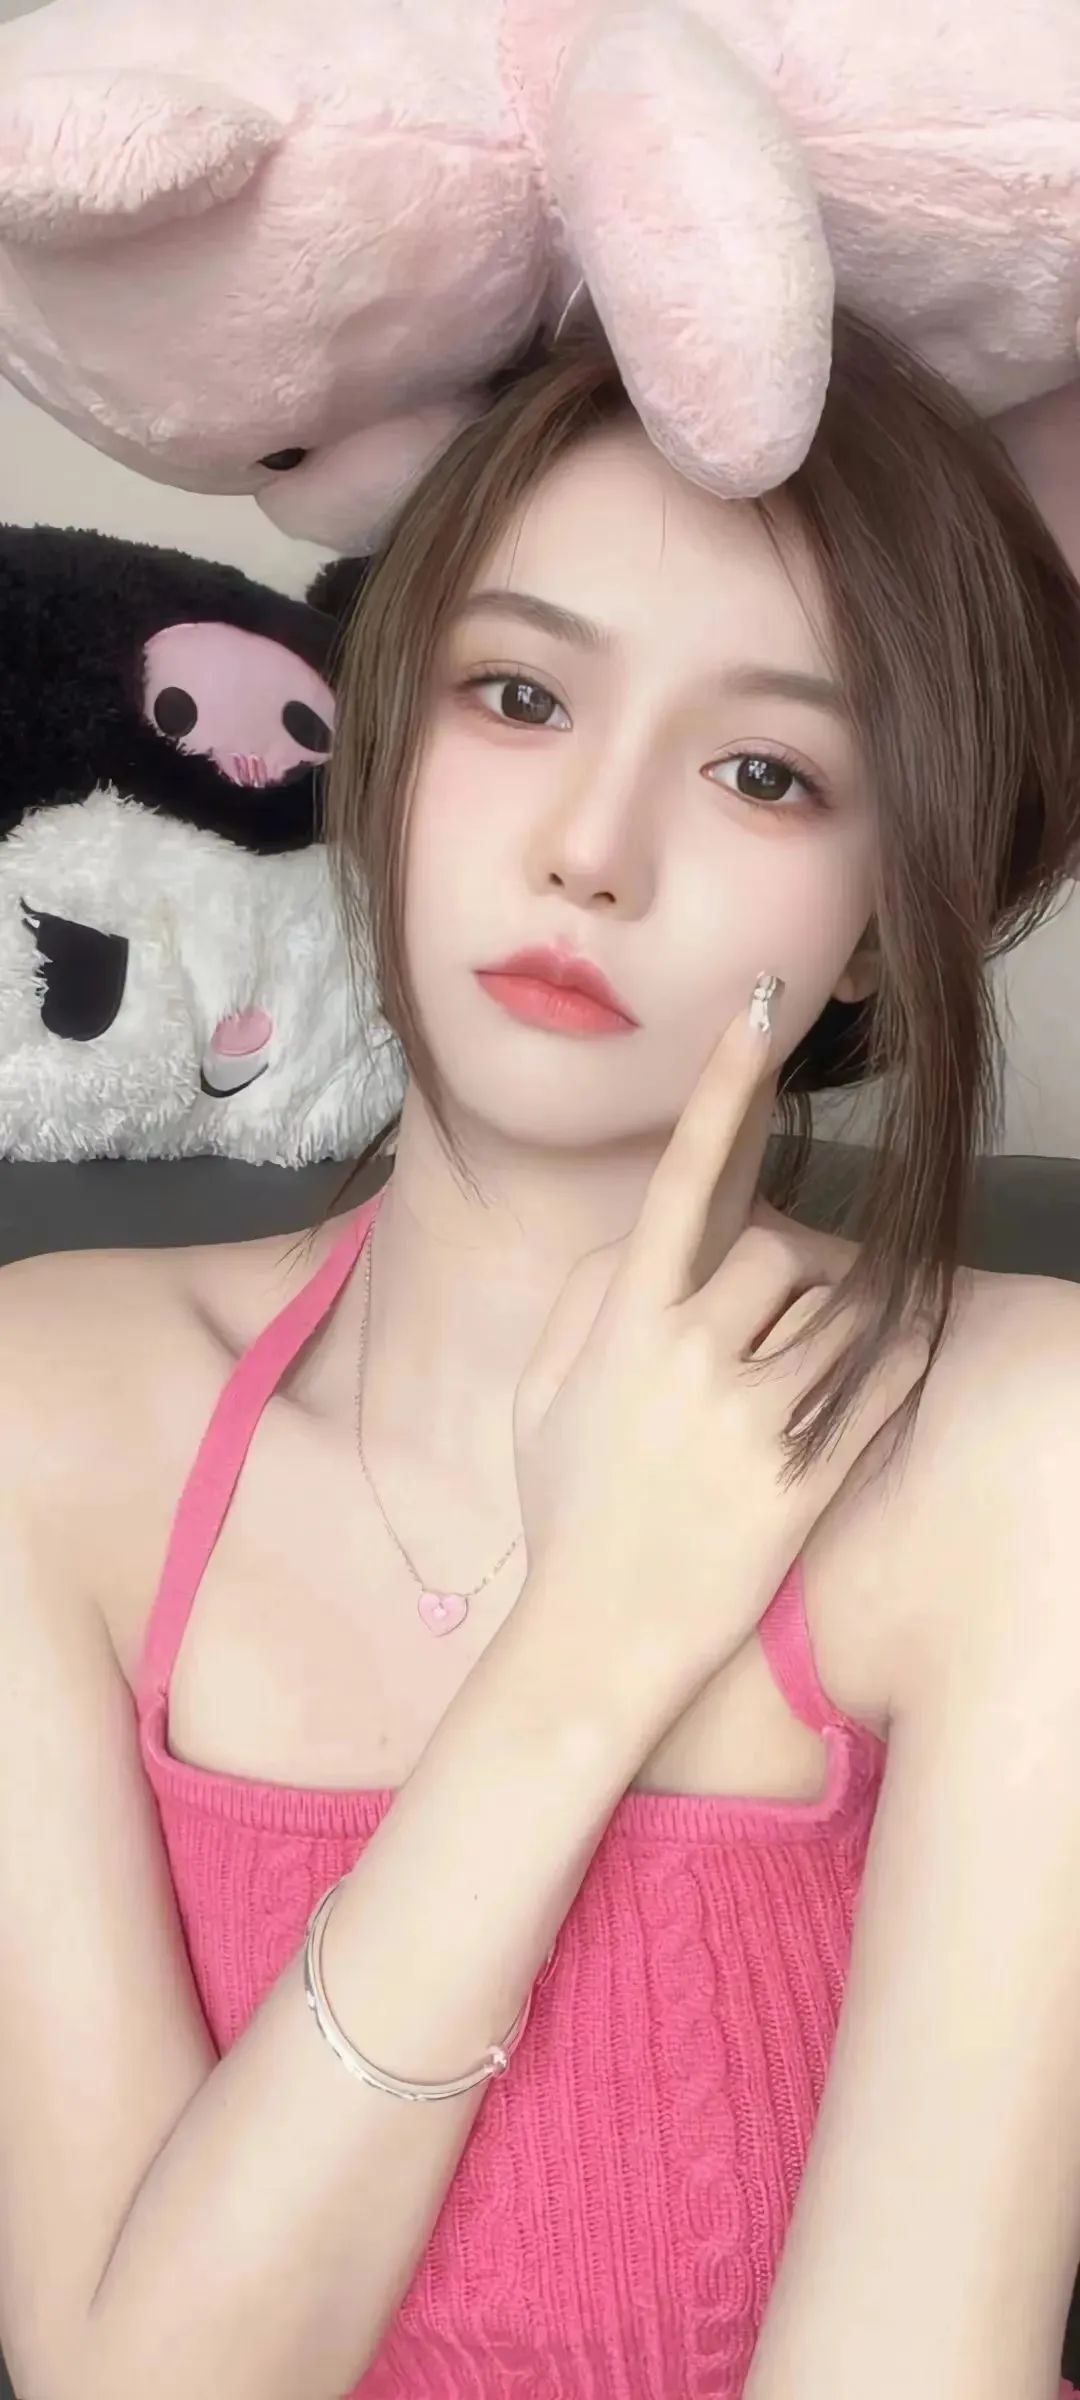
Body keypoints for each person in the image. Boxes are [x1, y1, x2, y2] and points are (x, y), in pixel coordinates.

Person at [1, 307, 1079, 2400]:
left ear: (882, 917)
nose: (595, 844)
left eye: (765, 770)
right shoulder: (49, 1410)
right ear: (389, 740)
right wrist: (589, 1648)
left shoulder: (1023, 1445)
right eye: (520, 693)